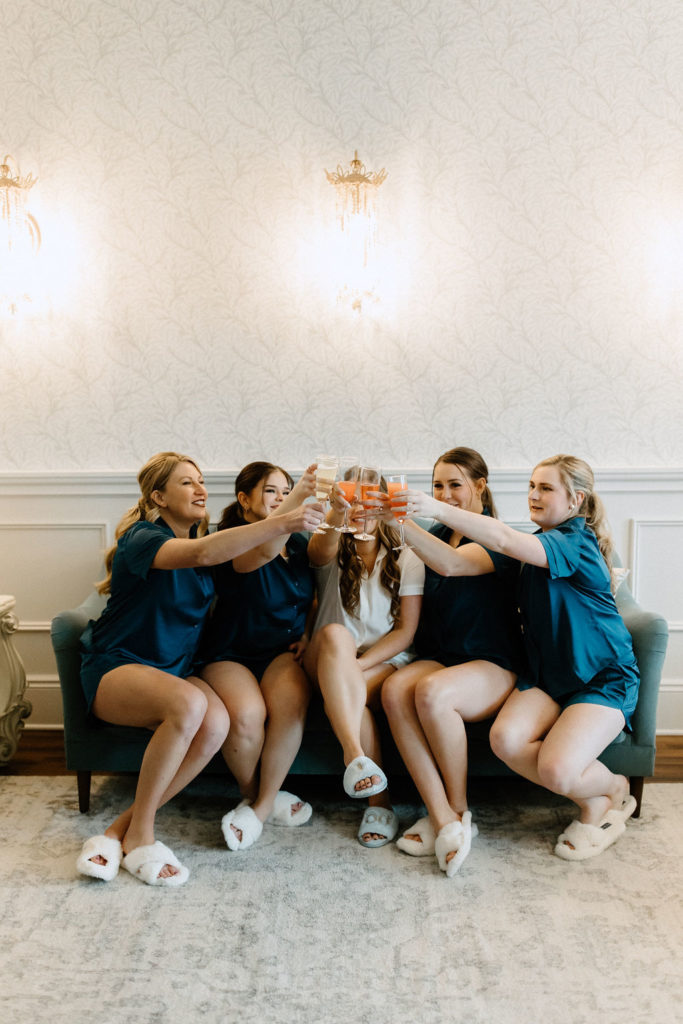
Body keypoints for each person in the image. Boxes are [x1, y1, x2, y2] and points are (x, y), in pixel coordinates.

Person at [76, 451, 323, 887]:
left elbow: (257, 560)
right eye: (187, 482)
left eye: (202, 481)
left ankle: (119, 832)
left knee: (217, 723)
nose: (200, 489)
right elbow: (206, 553)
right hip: (119, 666)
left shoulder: (207, 543)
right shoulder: (143, 538)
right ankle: (144, 836)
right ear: (159, 496)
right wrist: (290, 512)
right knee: (191, 705)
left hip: (174, 671)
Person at [397, 453, 640, 863]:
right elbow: (455, 562)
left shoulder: (575, 542)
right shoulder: (534, 545)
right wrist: (396, 520)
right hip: (547, 677)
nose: (534, 494)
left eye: (546, 488)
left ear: (576, 500)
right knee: (504, 740)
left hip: (601, 678)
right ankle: (594, 792)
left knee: (555, 770)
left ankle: (613, 790)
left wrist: (435, 507)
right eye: (531, 486)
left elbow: (505, 539)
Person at [380, 448, 523, 876]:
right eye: (438, 485)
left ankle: (460, 814)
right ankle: (439, 812)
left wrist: (400, 522)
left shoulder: (497, 535)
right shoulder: (439, 531)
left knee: (432, 691)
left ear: (480, 486)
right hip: (444, 657)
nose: (445, 494)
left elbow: (453, 566)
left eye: (455, 485)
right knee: (394, 689)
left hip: (493, 662)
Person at [198, 462, 319, 851]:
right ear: (244, 499)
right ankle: (260, 797)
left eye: (286, 491)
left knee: (291, 701)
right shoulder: (232, 538)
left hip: (279, 650)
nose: (281, 498)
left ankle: (261, 807)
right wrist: (300, 495)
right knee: (247, 716)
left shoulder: (299, 542)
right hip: (229, 650)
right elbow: (259, 555)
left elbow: (313, 595)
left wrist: (306, 633)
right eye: (272, 491)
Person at [303, 474, 424, 848]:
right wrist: (337, 513)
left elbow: (405, 633)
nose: (361, 506)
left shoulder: (408, 556)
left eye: (370, 498)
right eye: (353, 497)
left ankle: (379, 802)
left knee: (355, 697)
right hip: (327, 653)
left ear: (384, 504)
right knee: (337, 634)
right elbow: (317, 554)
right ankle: (355, 756)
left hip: (382, 657)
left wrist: (358, 667)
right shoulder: (330, 543)